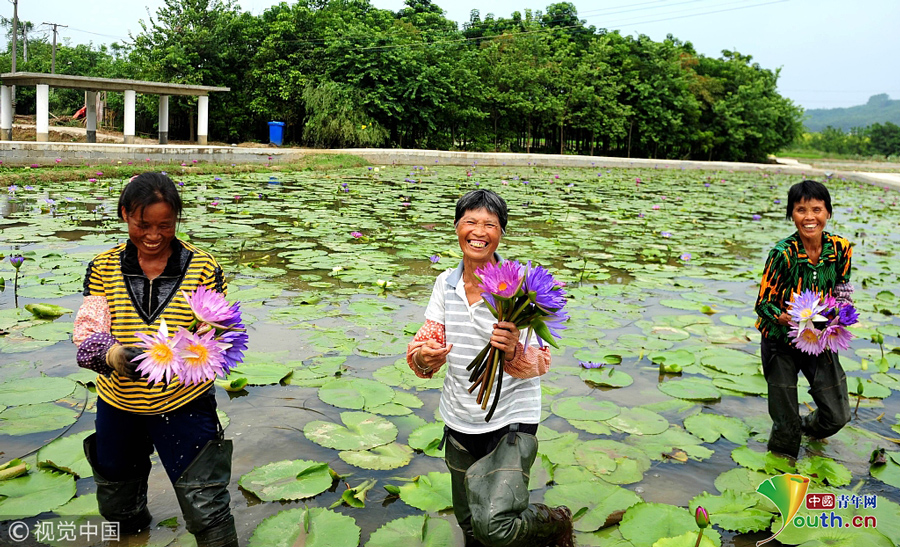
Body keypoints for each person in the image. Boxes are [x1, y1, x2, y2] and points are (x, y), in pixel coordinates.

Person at [73, 173, 238, 547]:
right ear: (124, 214)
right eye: (142, 224)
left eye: (165, 225)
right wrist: (113, 354)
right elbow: (88, 330)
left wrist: (210, 339)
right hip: (119, 404)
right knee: (118, 505)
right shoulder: (103, 266)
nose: (153, 235)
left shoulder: (203, 267)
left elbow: (223, 330)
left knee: (207, 507)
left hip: (185, 403)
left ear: (176, 219)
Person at [407, 189, 573, 547]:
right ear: (457, 227)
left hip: (510, 420)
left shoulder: (521, 287)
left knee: (495, 526)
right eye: (471, 222)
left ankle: (555, 522)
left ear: (501, 233)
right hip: (459, 417)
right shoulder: (445, 284)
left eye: (490, 225)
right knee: (470, 523)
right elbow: (426, 339)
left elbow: (541, 360)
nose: (479, 231)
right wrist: (424, 356)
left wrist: (513, 351)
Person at [755, 179, 853, 458]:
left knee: (837, 416)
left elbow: (842, 288)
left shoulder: (840, 248)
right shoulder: (782, 254)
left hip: (819, 337)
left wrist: (842, 313)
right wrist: (786, 318)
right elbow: (763, 305)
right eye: (801, 210)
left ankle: (804, 428)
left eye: (816, 209)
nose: (809, 217)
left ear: (828, 212)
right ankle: (783, 461)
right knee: (785, 432)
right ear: (791, 214)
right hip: (780, 341)